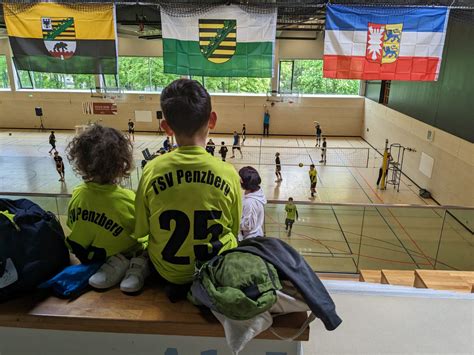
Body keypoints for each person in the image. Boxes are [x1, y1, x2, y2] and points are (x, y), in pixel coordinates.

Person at [134, 79, 242, 301]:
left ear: (166, 127)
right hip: (213, 270)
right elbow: (233, 227)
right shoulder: (228, 173)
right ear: (212, 120)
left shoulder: (152, 170)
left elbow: (141, 230)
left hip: (167, 272)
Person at [66, 125, 148, 293]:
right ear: (122, 164)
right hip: (115, 256)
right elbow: (142, 232)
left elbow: (71, 223)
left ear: (81, 162)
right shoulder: (128, 199)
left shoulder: (77, 195)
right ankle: (130, 264)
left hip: (85, 258)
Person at [238, 166, 267, 241]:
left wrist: (233, 219)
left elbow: (248, 225)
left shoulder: (250, 202)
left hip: (249, 240)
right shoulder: (257, 192)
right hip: (254, 235)